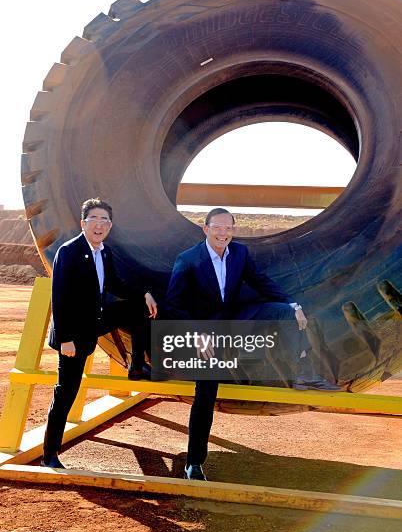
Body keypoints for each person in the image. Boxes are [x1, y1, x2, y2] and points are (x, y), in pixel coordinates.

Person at [166, 208, 341, 481]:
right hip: (207, 334)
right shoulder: (188, 259)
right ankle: (194, 462)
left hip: (236, 321)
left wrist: (291, 304)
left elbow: (260, 281)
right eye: (218, 227)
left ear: (233, 230)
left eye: (228, 228)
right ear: (206, 229)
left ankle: (303, 373)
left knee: (284, 313)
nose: (223, 233)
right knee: (206, 392)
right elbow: (174, 305)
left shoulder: (240, 254)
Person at [42, 197, 157, 468]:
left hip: (95, 321)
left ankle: (137, 366)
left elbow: (115, 283)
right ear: (83, 223)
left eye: (104, 220)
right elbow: (59, 298)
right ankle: (50, 455)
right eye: (94, 219)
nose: (99, 225)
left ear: (110, 225)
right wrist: (65, 340)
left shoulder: (103, 251)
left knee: (137, 309)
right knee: (66, 392)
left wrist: (144, 293)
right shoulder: (68, 252)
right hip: (74, 333)